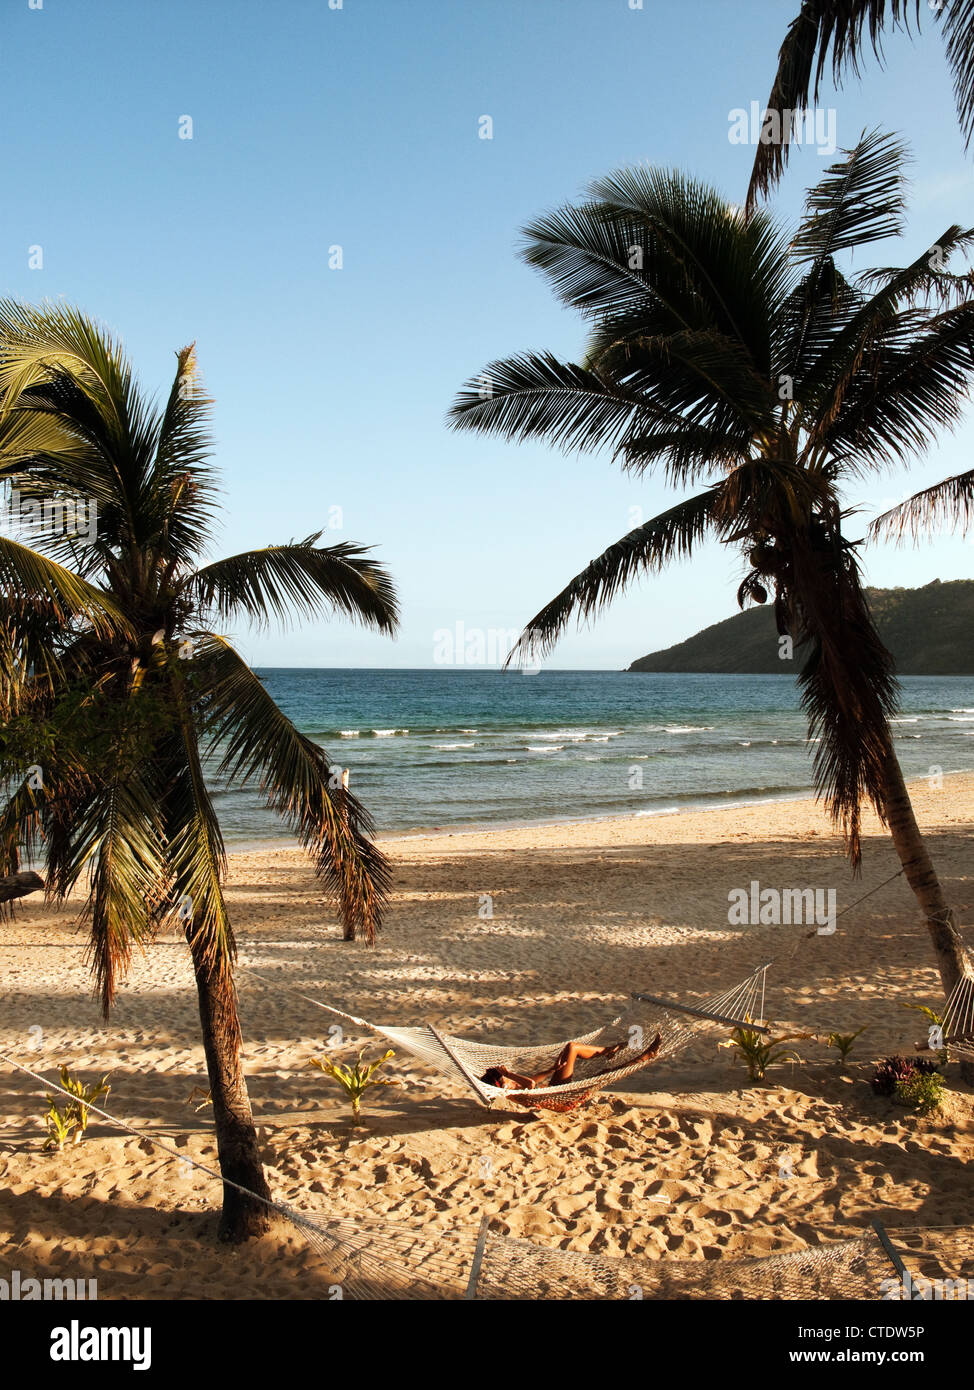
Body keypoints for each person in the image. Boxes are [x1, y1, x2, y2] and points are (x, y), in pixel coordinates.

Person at [479, 1030, 663, 1092]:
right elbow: (531, 1084)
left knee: (571, 1047)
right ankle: (647, 1054)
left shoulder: (511, 1087)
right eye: (504, 1079)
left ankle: (609, 1051)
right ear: (500, 1084)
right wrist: (509, 1074)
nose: (509, 1080)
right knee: (604, 1073)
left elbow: (534, 1079)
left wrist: (553, 1069)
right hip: (558, 1096)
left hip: (555, 1088)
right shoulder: (510, 1091)